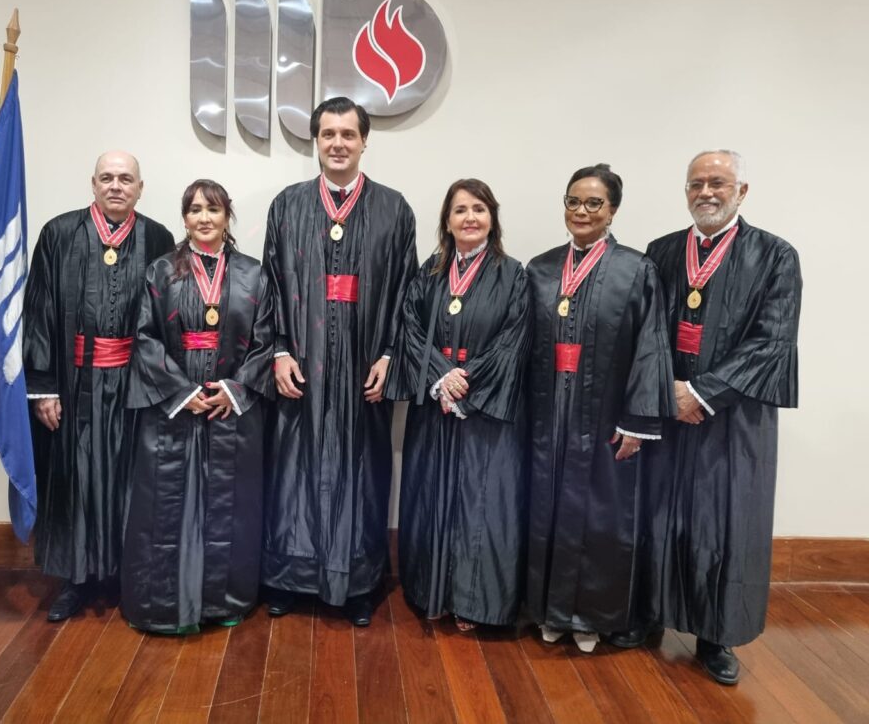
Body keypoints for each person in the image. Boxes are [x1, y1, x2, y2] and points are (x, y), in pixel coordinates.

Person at [646, 150, 801, 685]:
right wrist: (668, 388)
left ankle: (716, 637)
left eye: (718, 182)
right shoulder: (662, 251)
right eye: (696, 183)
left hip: (733, 417)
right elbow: (645, 331)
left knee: (726, 524)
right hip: (669, 409)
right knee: (662, 516)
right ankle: (652, 613)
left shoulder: (775, 256)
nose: (706, 192)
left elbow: (773, 342)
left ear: (742, 191)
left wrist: (702, 393)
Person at [261, 96, 417, 626]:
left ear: (364, 141)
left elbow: (407, 293)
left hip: (362, 370)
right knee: (293, 473)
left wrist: (391, 355)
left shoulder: (394, 209)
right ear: (315, 141)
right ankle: (288, 579)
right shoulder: (288, 205)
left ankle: (358, 585)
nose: (337, 143)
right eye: (328, 134)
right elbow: (270, 285)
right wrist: (279, 350)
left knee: (361, 474)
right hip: (302, 367)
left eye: (348, 134)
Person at [524, 164, 675, 653]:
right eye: (573, 201)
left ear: (612, 211)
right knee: (546, 507)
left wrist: (637, 420)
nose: (582, 211)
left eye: (594, 203)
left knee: (597, 512)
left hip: (605, 413)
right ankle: (548, 610)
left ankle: (589, 617)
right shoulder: (541, 269)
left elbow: (651, 347)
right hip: (549, 412)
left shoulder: (636, 270)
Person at [24, 151, 175, 622]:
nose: (115, 186)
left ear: (140, 188)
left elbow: (167, 317)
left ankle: (126, 577)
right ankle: (77, 579)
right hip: (76, 385)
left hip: (134, 383)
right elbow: (39, 313)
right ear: (93, 184)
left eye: (125, 179)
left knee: (130, 480)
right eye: (107, 177)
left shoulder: (158, 238)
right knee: (79, 479)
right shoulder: (59, 234)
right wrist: (44, 386)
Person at [120, 179, 274, 634]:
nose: (204, 217)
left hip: (230, 409)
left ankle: (224, 601)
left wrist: (234, 390)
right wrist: (182, 392)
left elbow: (267, 340)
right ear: (184, 218)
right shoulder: (161, 271)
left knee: (230, 508)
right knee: (165, 508)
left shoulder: (254, 274)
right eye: (195, 209)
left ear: (227, 216)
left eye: (213, 209)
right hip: (175, 407)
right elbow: (145, 337)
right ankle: (162, 604)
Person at [396, 179, 530, 632]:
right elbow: (410, 329)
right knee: (430, 496)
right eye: (460, 210)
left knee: (479, 503)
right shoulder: (429, 272)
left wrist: (466, 385)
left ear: (492, 218)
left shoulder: (513, 275)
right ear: (447, 221)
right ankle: (430, 591)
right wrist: (440, 377)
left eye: (478, 209)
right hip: (434, 407)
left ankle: (472, 602)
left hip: (482, 413)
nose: (469, 217)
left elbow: (513, 340)